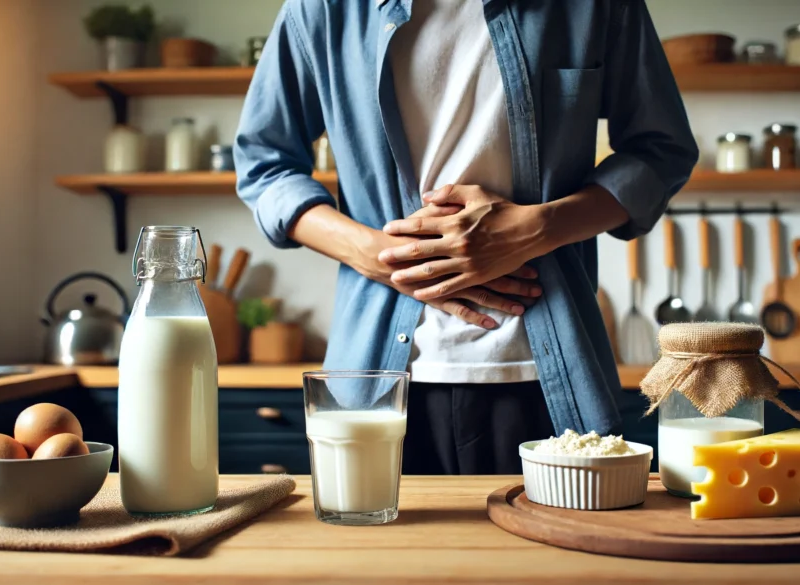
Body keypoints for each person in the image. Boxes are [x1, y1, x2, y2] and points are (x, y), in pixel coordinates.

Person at [234, 0, 698, 474]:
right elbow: (264, 165)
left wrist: (536, 229)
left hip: (550, 375)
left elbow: (661, 150)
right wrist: (378, 255)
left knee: (557, 549)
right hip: (377, 381)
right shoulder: (322, 9)